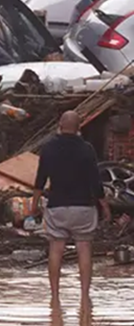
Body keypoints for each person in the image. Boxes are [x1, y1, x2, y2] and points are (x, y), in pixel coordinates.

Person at [32, 110, 111, 298]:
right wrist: (105, 206)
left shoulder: (49, 148)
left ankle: (55, 295)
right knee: (84, 248)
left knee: (56, 249)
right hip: (83, 207)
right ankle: (84, 295)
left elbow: (40, 179)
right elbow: (95, 181)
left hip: (57, 206)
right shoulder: (87, 149)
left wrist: (34, 204)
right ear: (79, 127)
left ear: (60, 124)